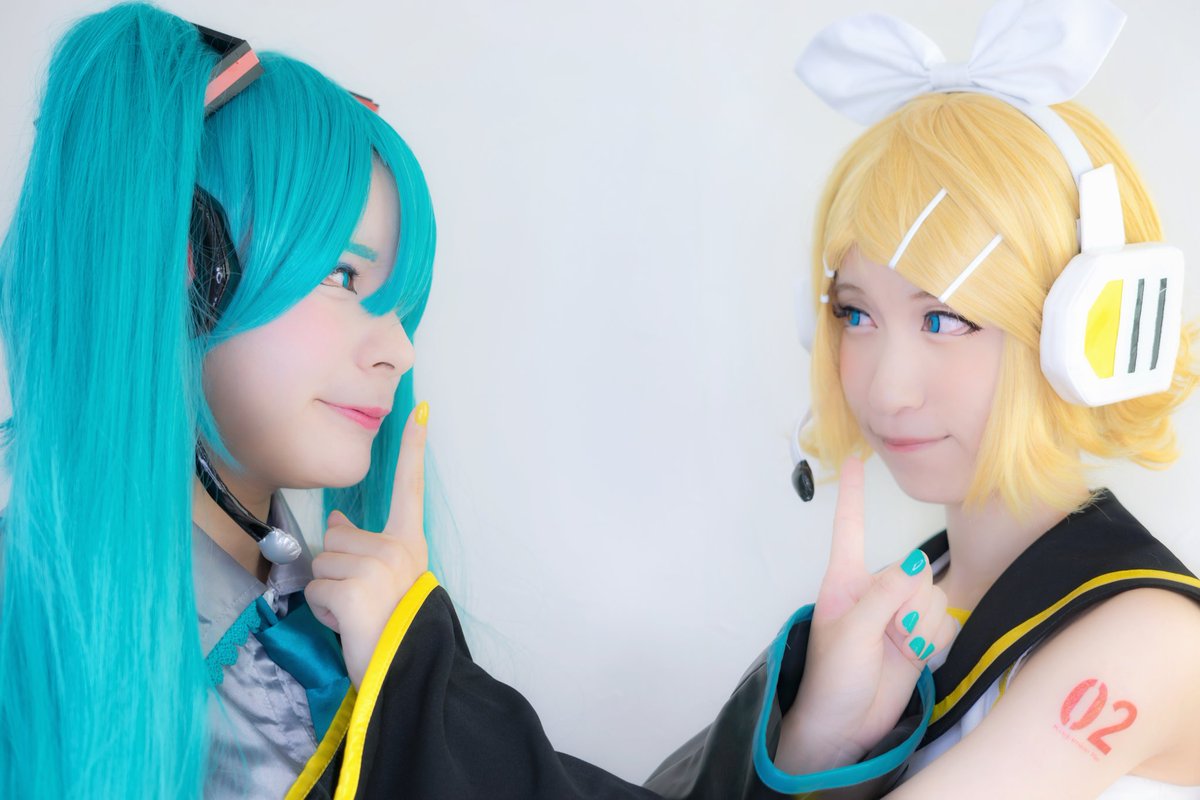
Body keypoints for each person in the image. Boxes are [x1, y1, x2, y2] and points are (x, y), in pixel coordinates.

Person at [0, 5, 928, 798]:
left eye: (400, 303)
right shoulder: (32, 640)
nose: (398, 348)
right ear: (188, 270)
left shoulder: (325, 622)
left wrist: (814, 737)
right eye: (342, 277)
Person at [760, 1, 1200, 797]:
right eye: (855, 315)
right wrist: (820, 733)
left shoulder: (1151, 642)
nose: (886, 388)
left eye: (944, 319)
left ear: (1087, 329)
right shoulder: (907, 603)